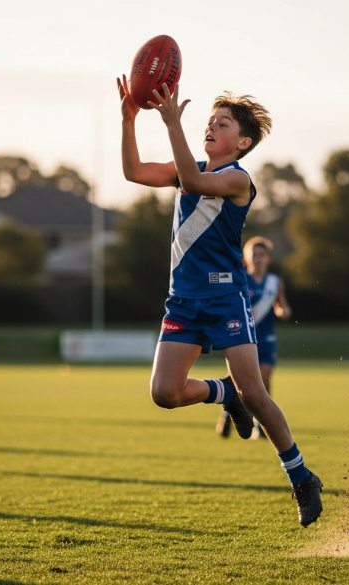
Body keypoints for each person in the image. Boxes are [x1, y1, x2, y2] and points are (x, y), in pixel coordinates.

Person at [117, 77, 322, 526]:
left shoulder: (237, 179)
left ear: (243, 141)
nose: (210, 126)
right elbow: (133, 172)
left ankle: (301, 476)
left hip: (226, 298)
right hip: (183, 302)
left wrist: (172, 122)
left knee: (257, 392)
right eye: (210, 121)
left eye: (222, 123)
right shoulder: (186, 169)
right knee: (164, 394)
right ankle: (223, 392)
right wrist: (129, 121)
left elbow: (193, 178)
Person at [216, 236, 292, 440]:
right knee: (239, 382)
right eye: (254, 255)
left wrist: (283, 310)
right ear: (247, 259)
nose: (258, 259)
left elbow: (280, 304)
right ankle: (227, 414)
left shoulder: (275, 282)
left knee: (264, 380)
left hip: (265, 337)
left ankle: (261, 424)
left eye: (262, 255)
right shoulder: (240, 279)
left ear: (268, 259)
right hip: (242, 337)